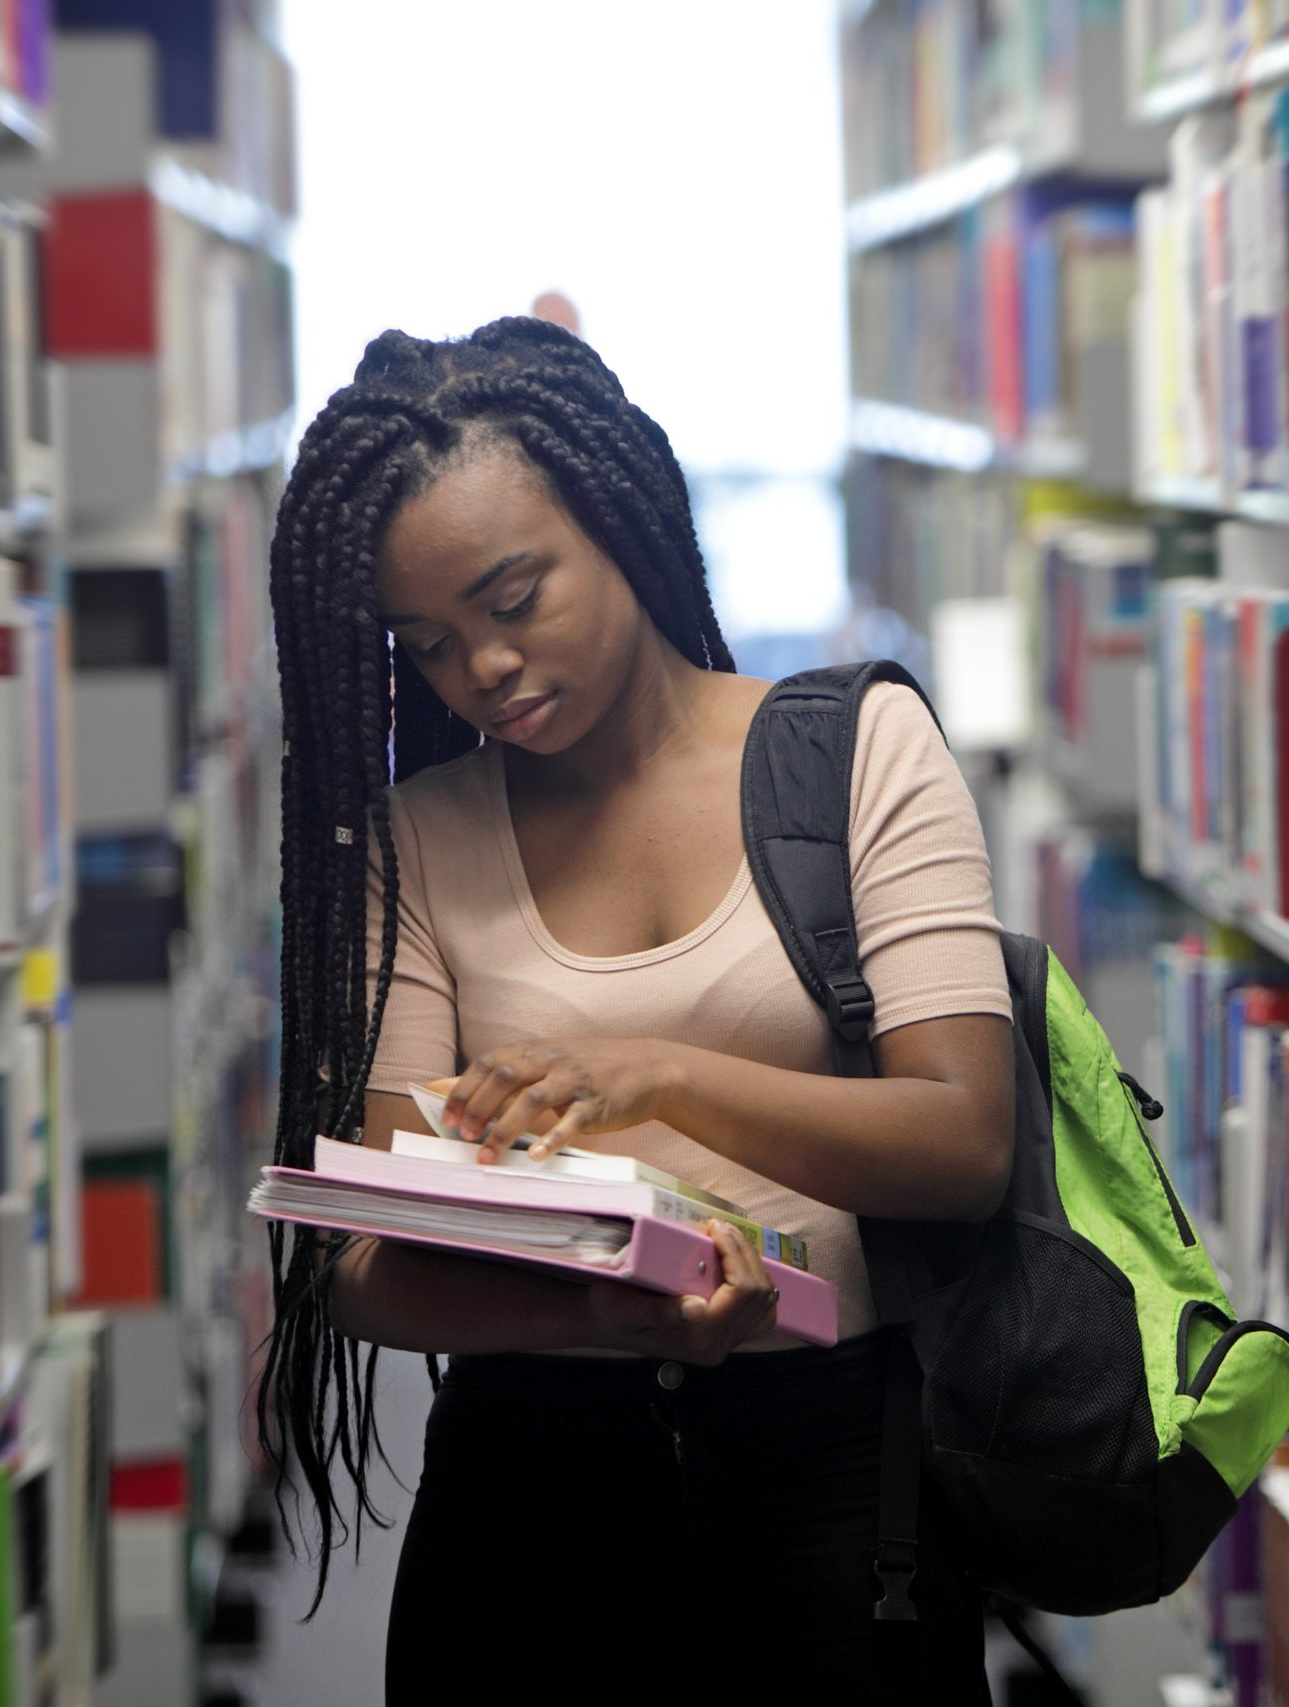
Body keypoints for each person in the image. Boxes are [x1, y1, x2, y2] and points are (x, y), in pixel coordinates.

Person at [257, 317, 1010, 1700]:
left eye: (513, 597)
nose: (478, 668)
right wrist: (630, 1319)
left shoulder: (855, 753)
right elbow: (364, 1268)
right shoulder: (414, 842)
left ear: (619, 516)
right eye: (424, 643)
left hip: (845, 1489)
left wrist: (656, 1078)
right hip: (530, 1498)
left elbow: (964, 1144)